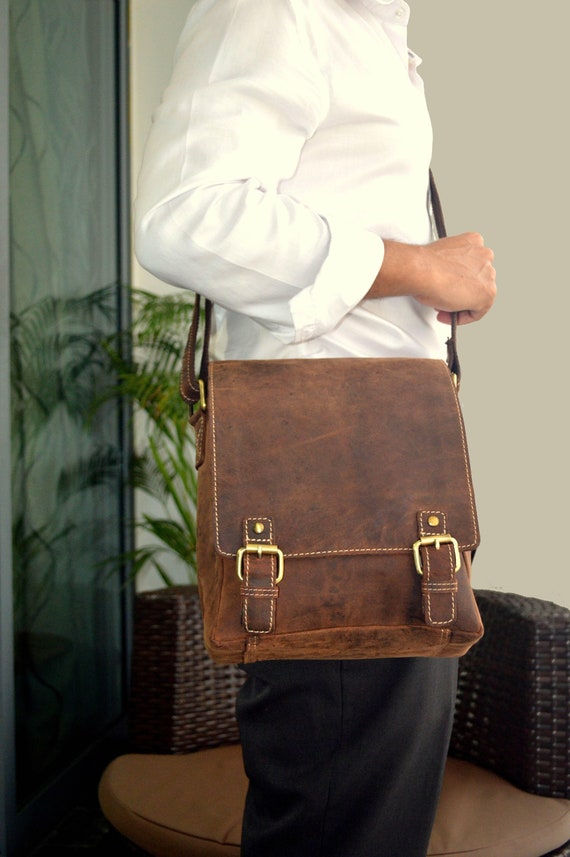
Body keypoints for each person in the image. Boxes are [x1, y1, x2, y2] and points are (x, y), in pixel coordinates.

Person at [134, 1, 497, 855]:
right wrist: (412, 264)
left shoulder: (371, 28)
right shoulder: (275, 9)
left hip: (396, 478)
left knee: (378, 807)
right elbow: (185, 215)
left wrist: (427, 286)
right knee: (344, 815)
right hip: (333, 493)